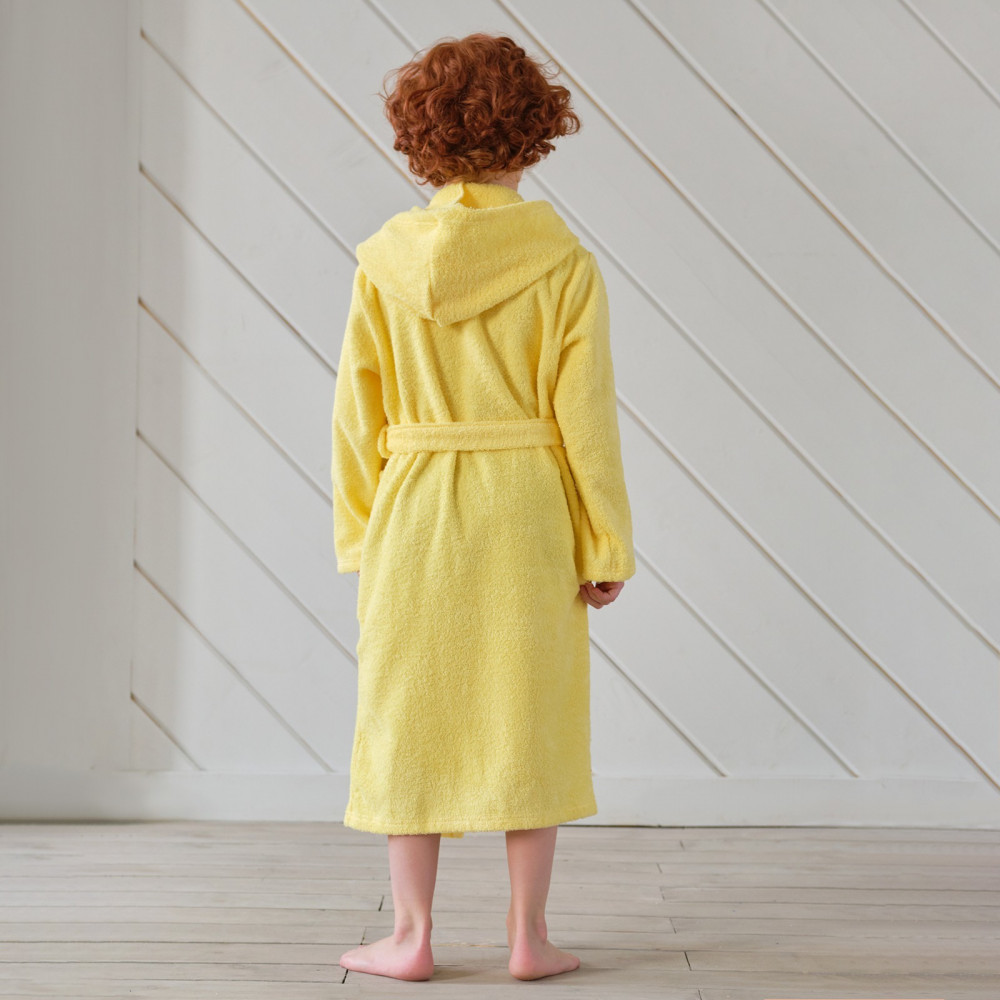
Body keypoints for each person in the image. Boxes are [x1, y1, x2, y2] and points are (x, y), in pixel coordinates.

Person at [331, 32, 635, 983]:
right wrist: (604, 542)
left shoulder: (382, 263)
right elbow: (586, 421)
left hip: (414, 509)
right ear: (533, 132)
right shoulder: (563, 264)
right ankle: (528, 938)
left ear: (419, 138)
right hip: (526, 512)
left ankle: (410, 936)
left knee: (406, 717)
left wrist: (361, 533)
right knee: (527, 714)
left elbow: (357, 412)